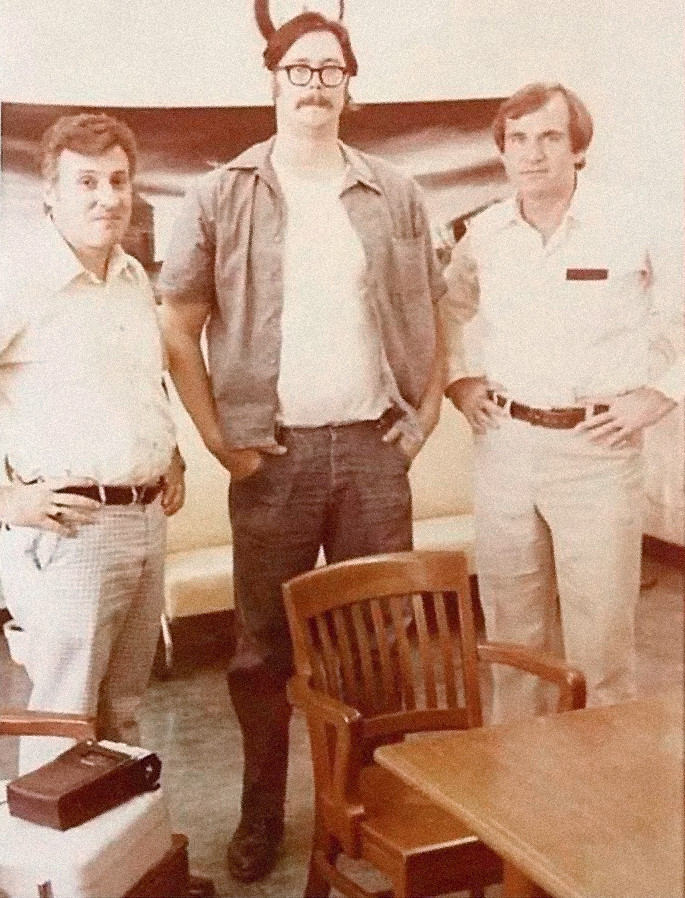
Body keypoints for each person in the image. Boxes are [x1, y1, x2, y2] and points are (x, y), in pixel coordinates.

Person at [158, 10, 445, 882]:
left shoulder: (395, 191)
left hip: (371, 455)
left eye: (330, 70)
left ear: (349, 85)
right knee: (261, 655)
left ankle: (361, 809)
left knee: (377, 648)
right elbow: (177, 326)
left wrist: (424, 416)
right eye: (299, 69)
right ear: (273, 80)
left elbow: (434, 310)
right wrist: (221, 443)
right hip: (271, 463)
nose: (315, 84)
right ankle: (260, 815)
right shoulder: (220, 195)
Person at [442, 82, 683, 721]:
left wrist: (658, 396)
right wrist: (460, 381)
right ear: (502, 151)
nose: (533, 153)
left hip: (595, 454)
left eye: (550, 137)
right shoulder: (485, 233)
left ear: (578, 147)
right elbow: (447, 309)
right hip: (505, 449)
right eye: (518, 139)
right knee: (512, 643)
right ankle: (518, 775)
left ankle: (597, 779)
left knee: (600, 651)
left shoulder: (630, 224)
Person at [0, 112, 186, 772]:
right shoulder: (17, 278)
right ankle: (53, 846)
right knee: (65, 718)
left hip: (144, 521)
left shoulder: (132, 277)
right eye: (86, 182)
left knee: (122, 714)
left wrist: (171, 457)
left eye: (118, 180)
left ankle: (121, 842)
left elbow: (137, 381)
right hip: (70, 531)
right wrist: (5, 500)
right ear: (50, 192)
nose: (108, 197)